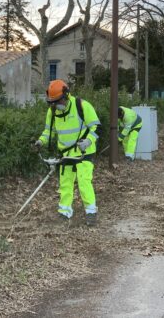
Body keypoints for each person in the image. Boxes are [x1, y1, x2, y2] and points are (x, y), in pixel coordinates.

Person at [34, 79, 101, 226]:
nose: (55, 105)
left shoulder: (82, 106)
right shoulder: (52, 111)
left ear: (66, 96)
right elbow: (48, 132)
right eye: (52, 102)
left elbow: (96, 127)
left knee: (84, 182)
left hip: (85, 152)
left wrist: (88, 141)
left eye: (58, 101)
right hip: (65, 152)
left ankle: (91, 212)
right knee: (65, 183)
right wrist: (41, 141)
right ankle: (64, 212)